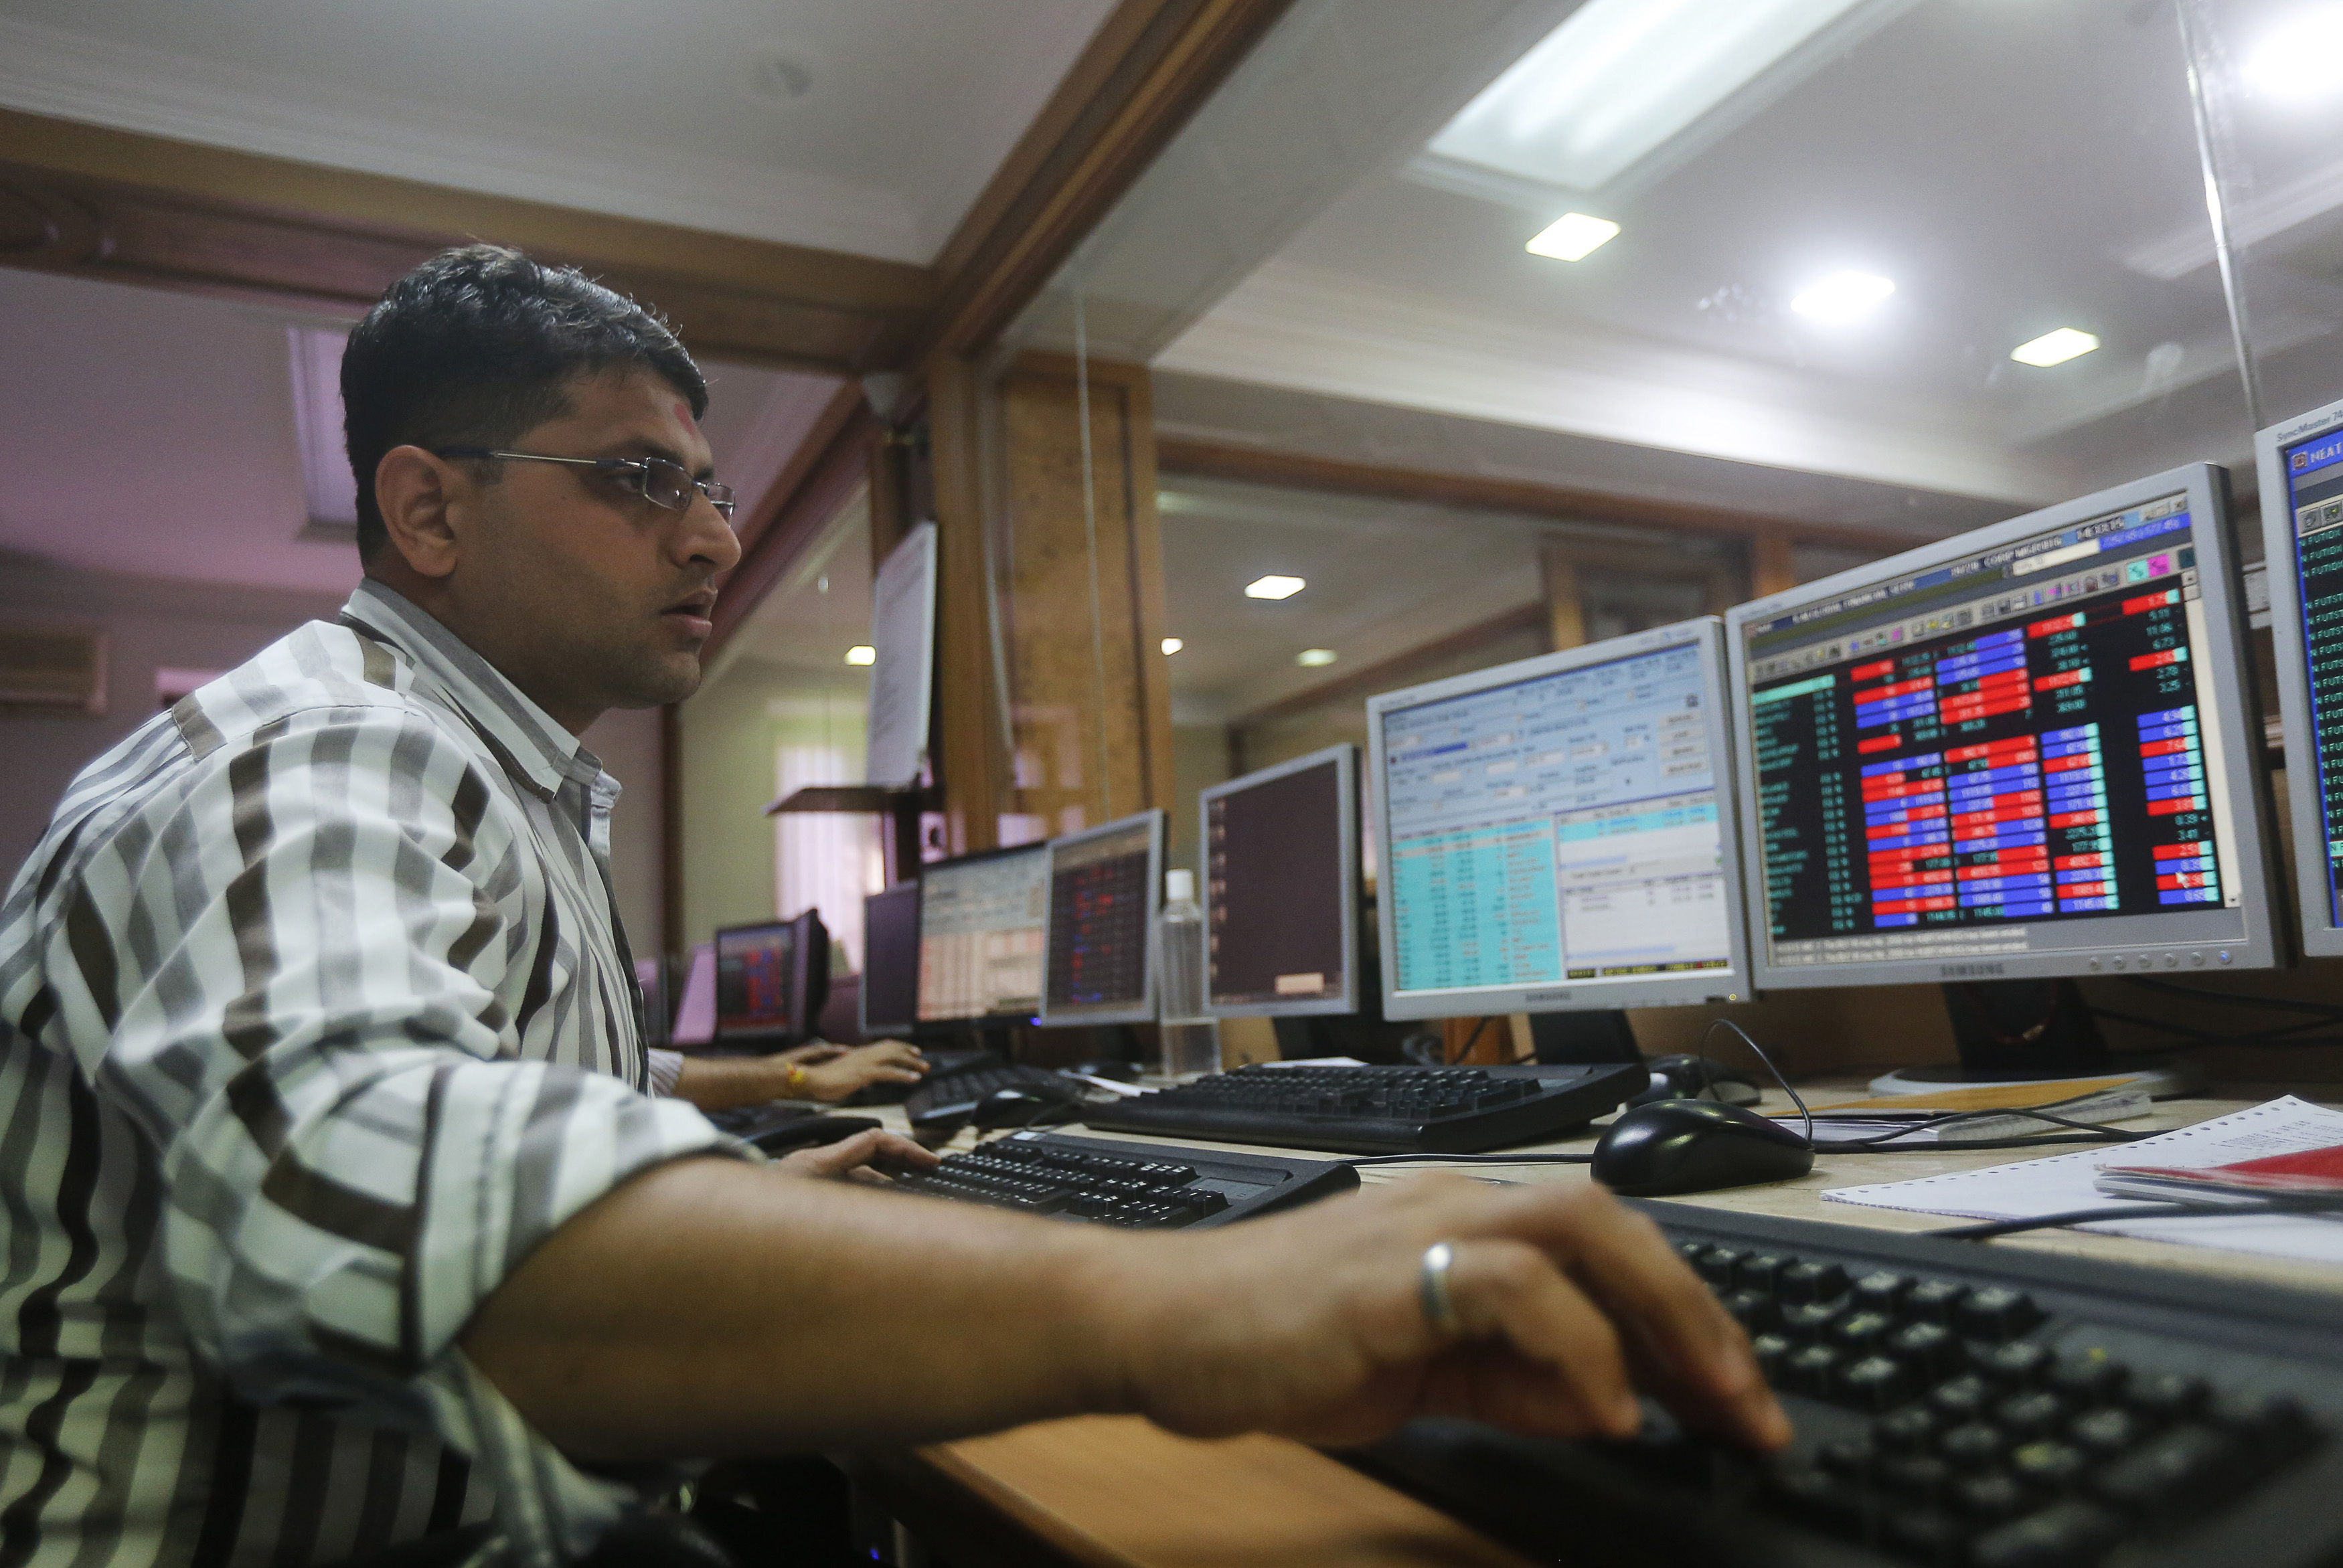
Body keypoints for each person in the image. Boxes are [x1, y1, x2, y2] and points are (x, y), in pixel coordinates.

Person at [0, 246, 1787, 1567]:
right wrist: (1187, 1307)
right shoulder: (320, 746)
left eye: (705, 484)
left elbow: (456, 1112)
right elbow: (369, 1198)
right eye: (639, 480)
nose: (705, 535)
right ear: (427, 509)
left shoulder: (487, 769)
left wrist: (726, 1186)